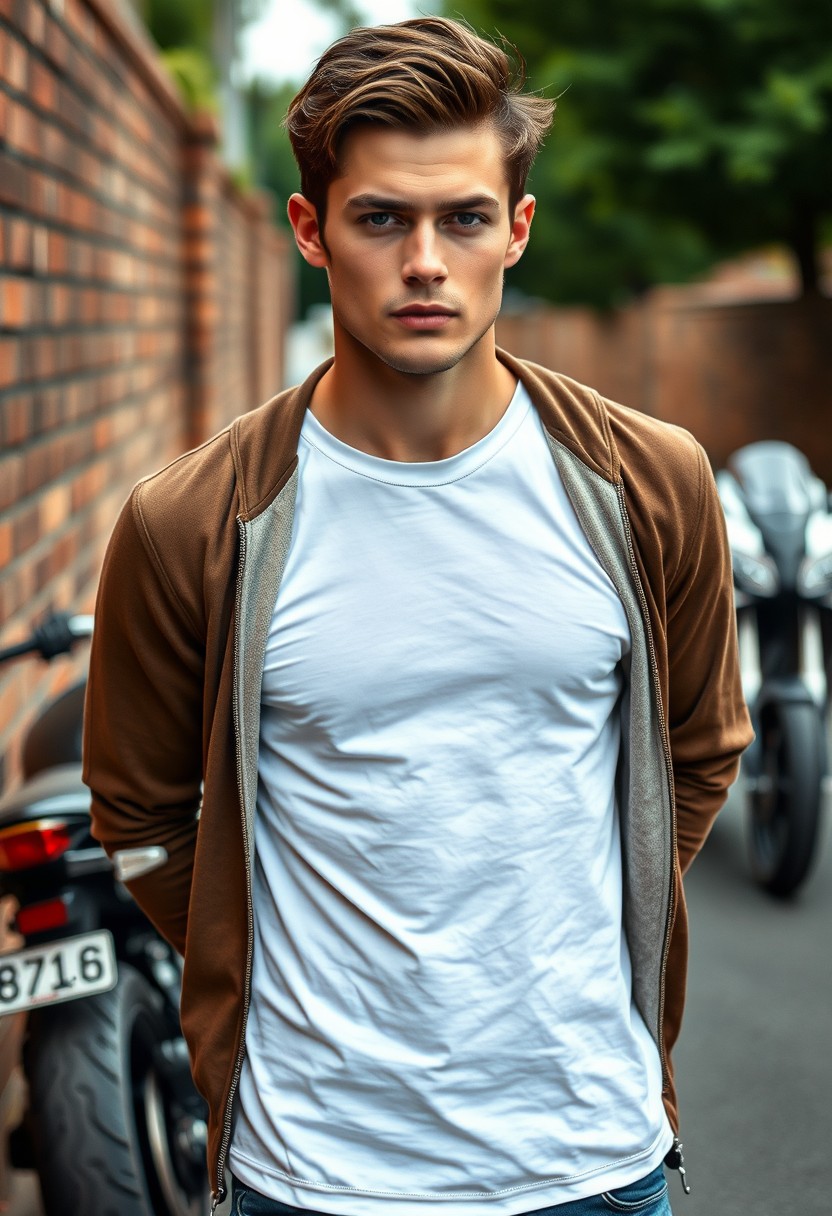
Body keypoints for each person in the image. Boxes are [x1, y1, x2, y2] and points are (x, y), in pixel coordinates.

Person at [84, 17, 753, 1216]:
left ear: (518, 231)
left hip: (591, 1157)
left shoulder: (651, 483)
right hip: (315, 1171)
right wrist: (272, 958)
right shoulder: (189, 521)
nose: (426, 261)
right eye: (382, 218)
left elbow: (698, 751)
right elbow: (138, 818)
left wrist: (566, 930)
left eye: (464, 218)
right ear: (310, 232)